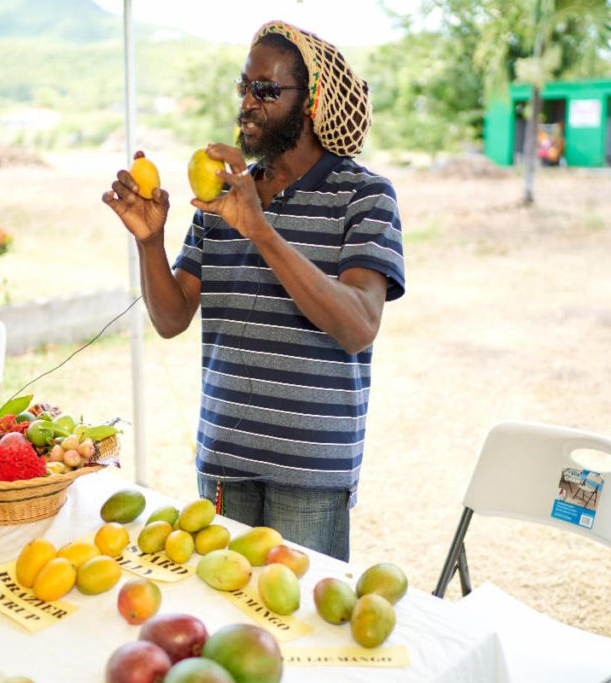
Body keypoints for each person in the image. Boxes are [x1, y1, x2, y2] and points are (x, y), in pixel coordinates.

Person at [102, 20, 404, 562]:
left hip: (310, 471)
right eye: (244, 86)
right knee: (220, 608)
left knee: (299, 614)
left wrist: (260, 230)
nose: (247, 103)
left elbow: (359, 325)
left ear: (311, 101)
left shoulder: (364, 196)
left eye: (265, 89)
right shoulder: (221, 195)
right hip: (224, 462)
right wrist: (150, 242)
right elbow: (171, 319)